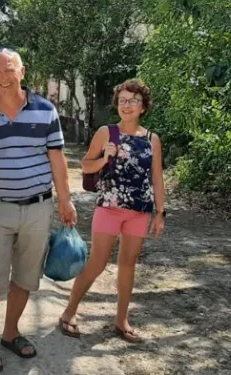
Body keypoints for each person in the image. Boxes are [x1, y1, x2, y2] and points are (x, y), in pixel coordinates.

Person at [0, 48, 77, 373]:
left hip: (39, 208)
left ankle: (10, 333)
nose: (4, 77)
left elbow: (57, 159)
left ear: (22, 71)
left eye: (9, 70)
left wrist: (65, 199)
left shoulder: (46, 111)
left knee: (25, 277)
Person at [58, 79, 166, 343]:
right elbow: (85, 166)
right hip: (109, 208)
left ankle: (121, 320)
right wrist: (104, 158)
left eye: (133, 101)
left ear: (143, 106)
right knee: (97, 263)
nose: (127, 105)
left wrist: (160, 212)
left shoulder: (152, 139)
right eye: (122, 100)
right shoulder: (107, 132)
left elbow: (157, 178)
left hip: (139, 211)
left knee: (128, 266)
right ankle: (69, 313)